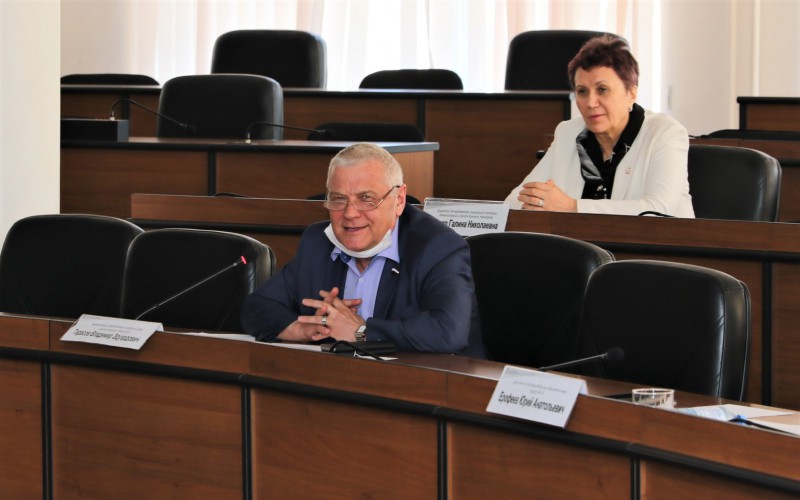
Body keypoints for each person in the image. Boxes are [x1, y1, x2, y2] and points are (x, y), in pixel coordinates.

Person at [242, 142, 486, 358]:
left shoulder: (438, 247)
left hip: (436, 385)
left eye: (366, 198)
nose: (350, 213)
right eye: (339, 199)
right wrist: (300, 329)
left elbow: (448, 332)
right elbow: (257, 307)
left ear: (399, 200)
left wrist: (361, 332)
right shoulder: (317, 242)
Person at [505, 35, 694, 217]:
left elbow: (658, 211)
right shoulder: (568, 133)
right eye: (582, 91)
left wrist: (572, 207)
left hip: (657, 240)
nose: (590, 103)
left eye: (602, 89)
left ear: (631, 93)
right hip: (579, 240)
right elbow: (515, 201)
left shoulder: (665, 133)